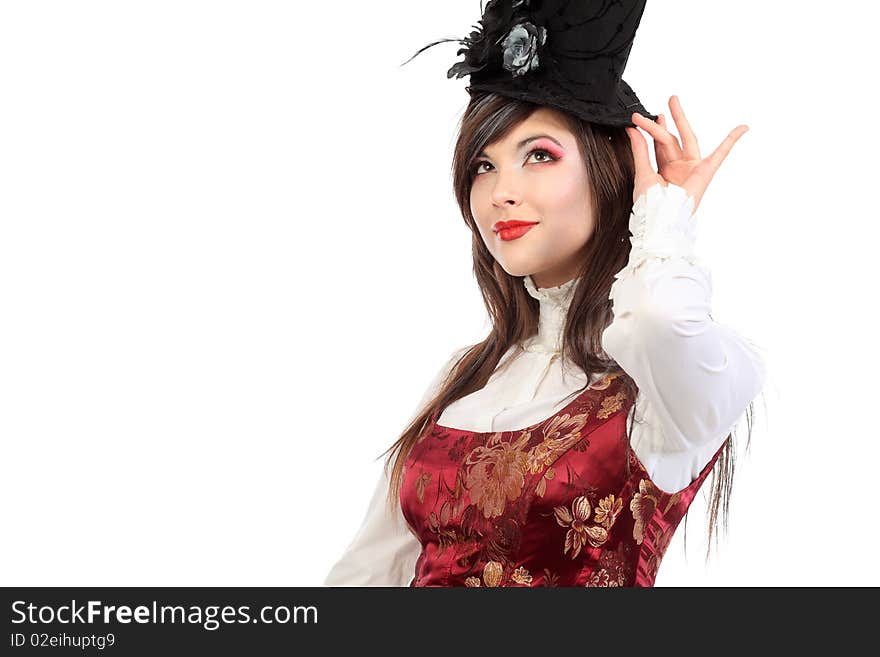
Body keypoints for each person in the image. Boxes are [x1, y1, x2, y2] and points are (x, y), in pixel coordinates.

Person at [324, 0, 767, 587]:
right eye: (483, 166)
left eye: (538, 155)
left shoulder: (675, 380)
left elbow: (658, 318)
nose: (501, 192)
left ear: (612, 173)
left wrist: (664, 214)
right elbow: (368, 572)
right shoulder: (467, 374)